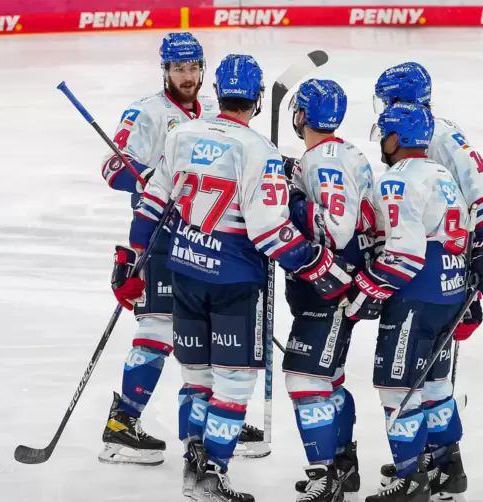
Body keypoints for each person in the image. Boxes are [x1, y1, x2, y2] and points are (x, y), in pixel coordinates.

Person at [112, 54, 354, 502]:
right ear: (258, 100)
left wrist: (130, 260)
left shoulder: (182, 134)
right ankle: (212, 475)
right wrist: (321, 267)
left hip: (184, 272)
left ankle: (193, 466)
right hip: (233, 282)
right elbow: (270, 233)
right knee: (234, 381)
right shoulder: (257, 150)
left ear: (217, 91)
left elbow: (151, 203)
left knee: (197, 378)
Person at [98, 33, 263, 466]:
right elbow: (112, 166)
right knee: (157, 330)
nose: (187, 77)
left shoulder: (212, 111)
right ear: (164, 70)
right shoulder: (147, 112)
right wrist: (155, 176)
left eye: (193, 68)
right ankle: (122, 424)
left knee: (207, 333)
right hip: (161, 238)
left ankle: (213, 417)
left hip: (209, 242)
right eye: (178, 69)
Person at [370, 63, 483, 501]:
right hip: (445, 266)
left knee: (420, 373)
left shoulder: (441, 137)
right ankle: (439, 460)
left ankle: (426, 463)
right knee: (431, 376)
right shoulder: (419, 134)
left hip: (438, 271)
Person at [342, 102, 470, 502]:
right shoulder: (443, 175)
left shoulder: (398, 179)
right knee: (434, 385)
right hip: (451, 291)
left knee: (397, 388)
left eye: (384, 134)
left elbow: (407, 255)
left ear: (395, 138)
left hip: (417, 297)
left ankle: (410, 479)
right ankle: (448, 467)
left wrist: (365, 290)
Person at [282, 79, 375, 502]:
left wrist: (291, 200)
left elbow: (334, 228)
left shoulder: (325, 161)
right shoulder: (344, 153)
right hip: (339, 283)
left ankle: (325, 475)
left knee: (305, 379)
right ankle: (343, 466)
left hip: (331, 285)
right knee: (329, 379)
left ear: (302, 115)